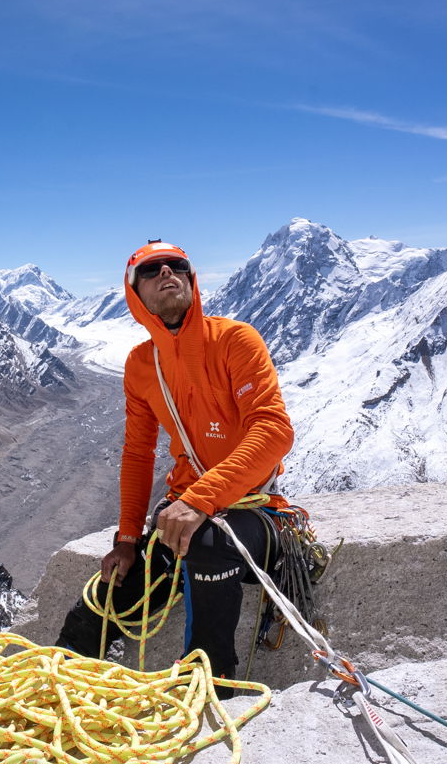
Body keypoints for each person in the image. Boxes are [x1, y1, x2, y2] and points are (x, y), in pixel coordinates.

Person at [55, 240, 295, 683]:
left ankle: (209, 680)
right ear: (135, 293)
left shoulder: (235, 340)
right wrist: (127, 539)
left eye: (176, 266)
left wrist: (201, 500)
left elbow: (274, 430)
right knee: (117, 585)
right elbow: (137, 452)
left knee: (208, 543)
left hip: (252, 507)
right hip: (187, 507)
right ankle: (58, 679)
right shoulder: (141, 364)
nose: (167, 273)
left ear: (190, 278)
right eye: (151, 270)